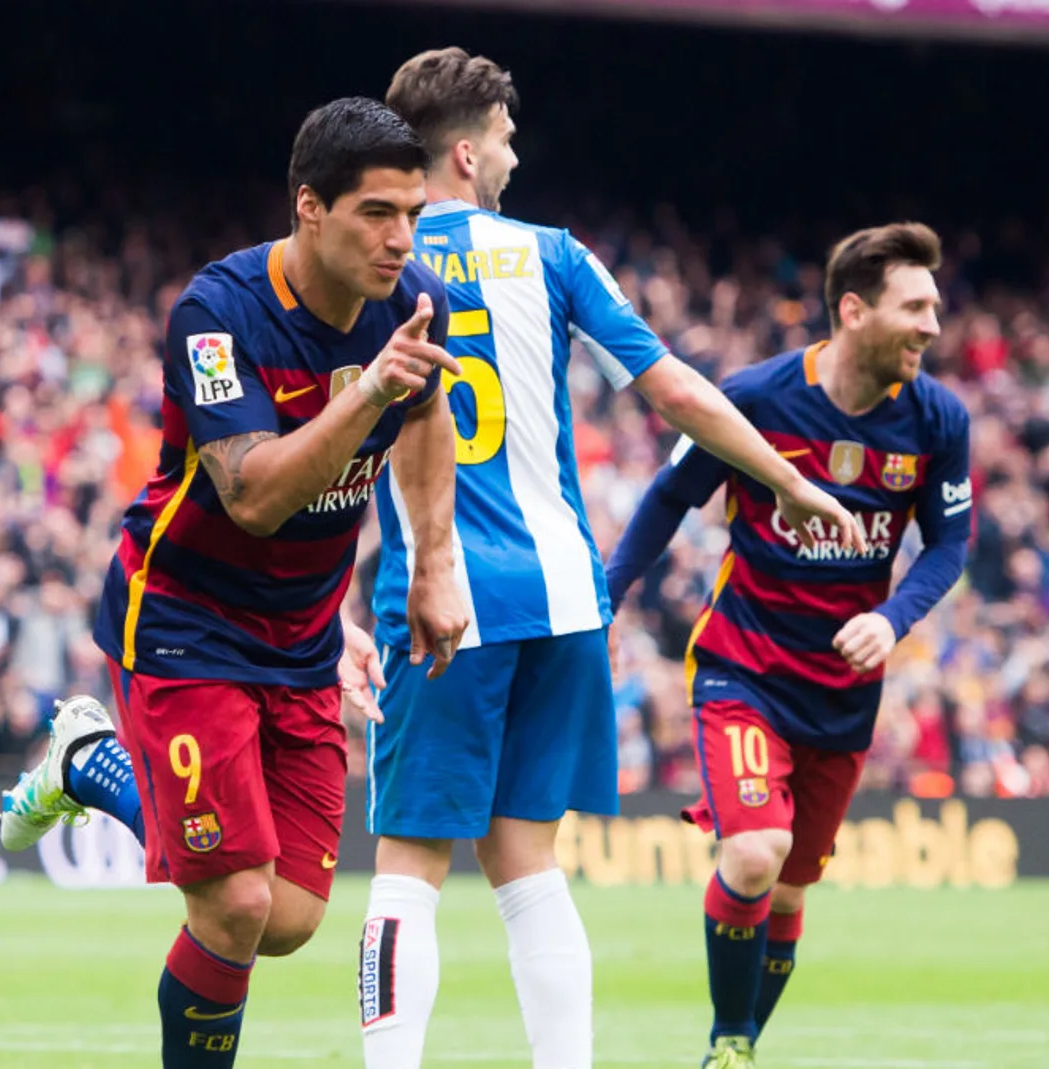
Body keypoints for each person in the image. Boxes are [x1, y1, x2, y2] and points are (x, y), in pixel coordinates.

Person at [350, 48, 865, 1069]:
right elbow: (673, 390)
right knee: (529, 868)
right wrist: (790, 478)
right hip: (562, 597)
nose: (511, 151)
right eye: (500, 136)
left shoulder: (376, 265)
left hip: (444, 594)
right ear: (463, 150)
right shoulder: (552, 253)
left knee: (408, 866)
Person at [0, 97, 470, 1069]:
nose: (401, 238)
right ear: (309, 206)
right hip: (182, 620)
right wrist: (372, 388)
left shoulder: (415, 302)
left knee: (288, 915)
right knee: (235, 898)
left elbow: (426, 413)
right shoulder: (216, 315)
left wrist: (434, 558)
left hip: (299, 637)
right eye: (376, 212)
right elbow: (252, 496)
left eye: (412, 214)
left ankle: (87, 761)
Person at [603, 223, 972, 1069]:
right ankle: (729, 1044)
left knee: (792, 887)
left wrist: (893, 618)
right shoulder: (758, 397)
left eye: (936, 309)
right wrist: (607, 590)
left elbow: (949, 545)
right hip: (745, 664)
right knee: (756, 850)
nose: (932, 326)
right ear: (853, 309)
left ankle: (737, 1051)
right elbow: (669, 495)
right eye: (915, 306)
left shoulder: (939, 419)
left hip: (842, 692)